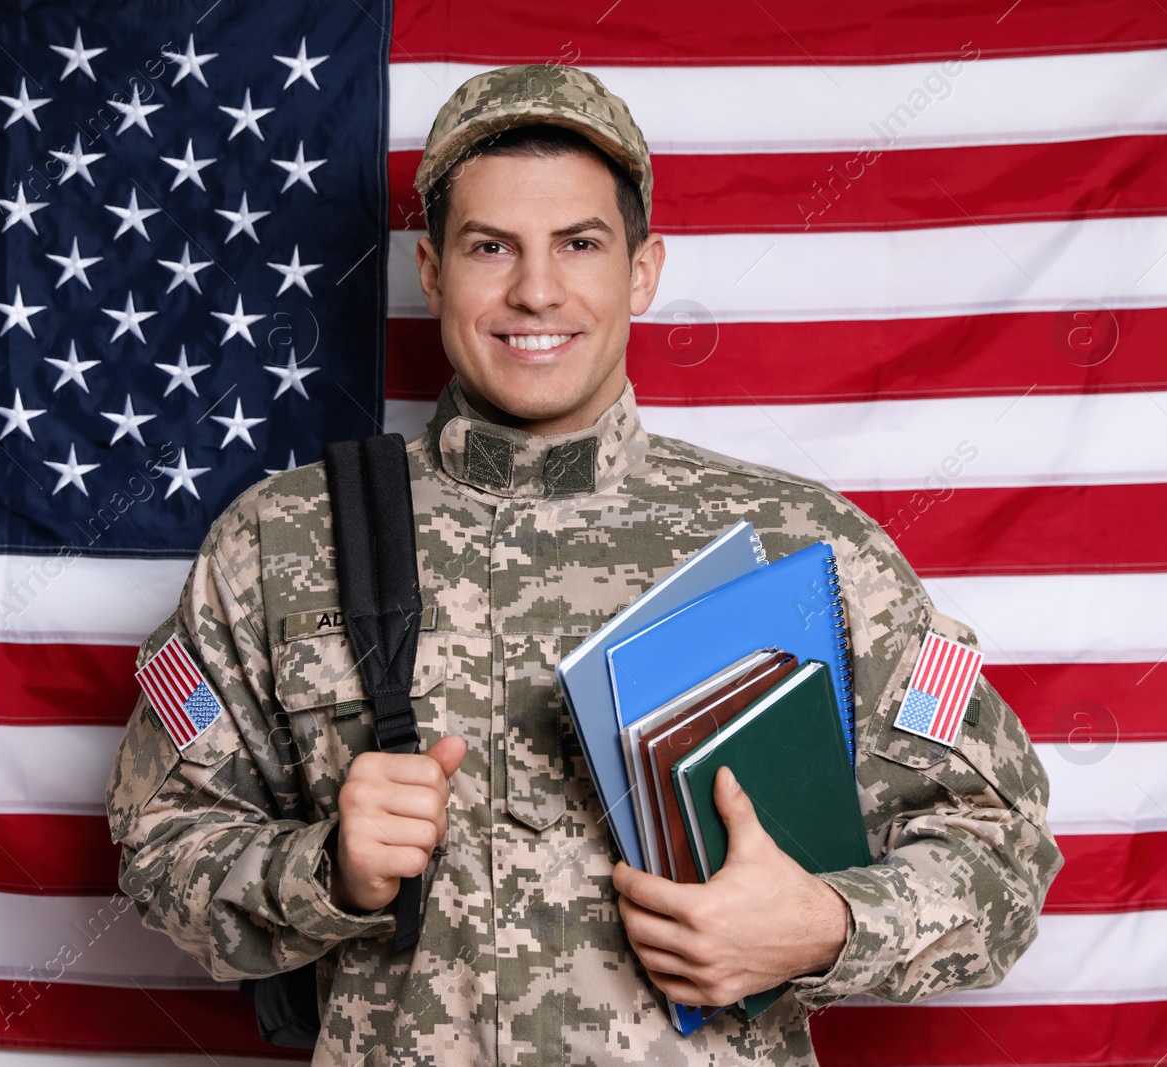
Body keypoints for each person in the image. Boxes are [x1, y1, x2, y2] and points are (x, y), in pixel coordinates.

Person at [106, 64, 1062, 1065]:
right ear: (431, 272)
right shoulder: (282, 541)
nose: (536, 289)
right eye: (489, 247)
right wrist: (326, 872)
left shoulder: (804, 545)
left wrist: (825, 922)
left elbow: (1000, 849)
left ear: (642, 270)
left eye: (579, 243)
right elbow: (161, 842)